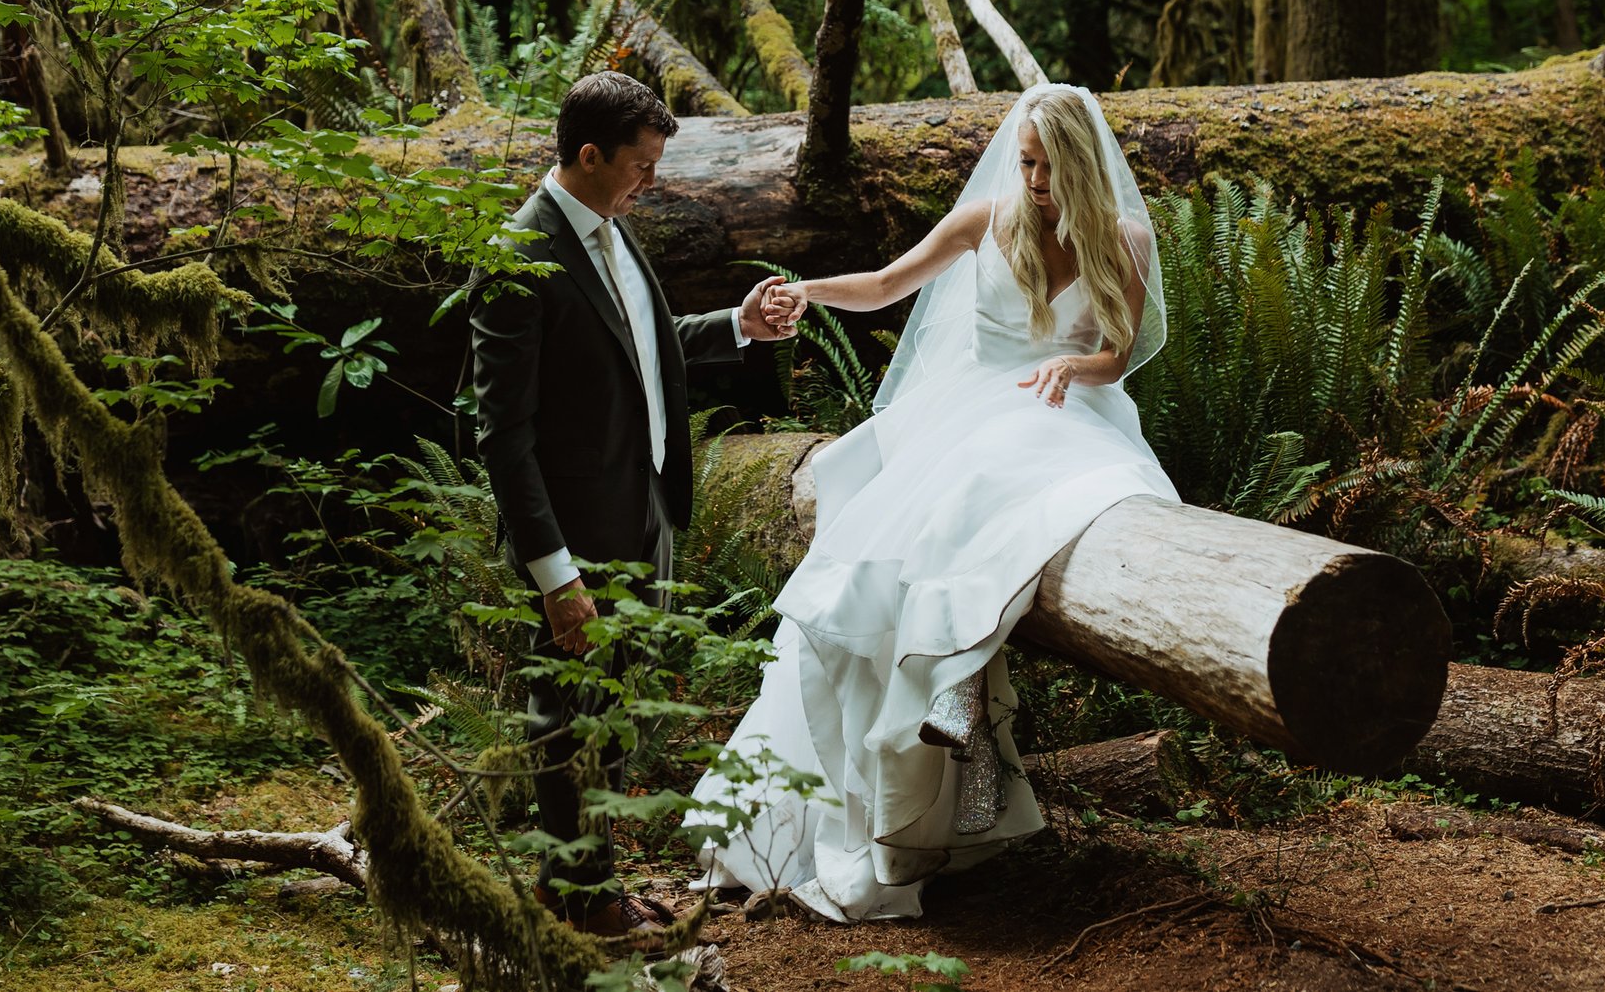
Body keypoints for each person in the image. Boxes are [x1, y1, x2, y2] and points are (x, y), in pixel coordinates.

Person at [688, 82, 1177, 921]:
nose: (1034, 184)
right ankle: (951, 694)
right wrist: (803, 292)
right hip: (969, 414)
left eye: (1051, 170)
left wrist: (1073, 368)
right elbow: (884, 285)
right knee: (954, 495)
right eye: (1025, 164)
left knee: (1011, 477)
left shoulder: (1125, 239)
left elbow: (1120, 356)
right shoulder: (987, 221)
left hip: (1071, 416)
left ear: (1084, 168)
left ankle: (959, 683)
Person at [469, 71, 799, 936]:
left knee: (611, 717)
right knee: (568, 713)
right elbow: (503, 436)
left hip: (644, 506)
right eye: (641, 165)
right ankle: (576, 900)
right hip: (578, 537)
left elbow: (644, 347)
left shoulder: (610, 231)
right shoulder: (518, 256)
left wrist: (738, 325)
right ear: (588, 155)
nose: (652, 181)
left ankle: (590, 881)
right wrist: (553, 574)